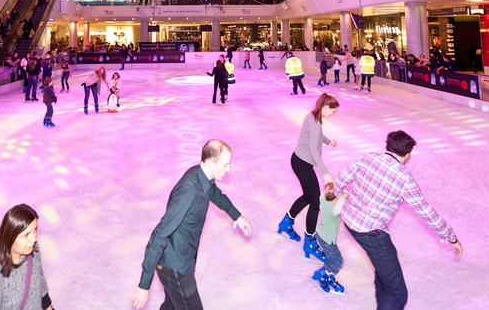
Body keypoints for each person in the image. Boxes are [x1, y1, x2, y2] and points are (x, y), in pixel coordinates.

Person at [334, 131, 462, 310]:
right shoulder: (404, 179)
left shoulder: (368, 159)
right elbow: (427, 212)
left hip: (350, 221)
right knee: (397, 293)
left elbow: (341, 180)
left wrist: (338, 193)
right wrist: (451, 237)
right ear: (408, 154)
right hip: (370, 233)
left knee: (384, 273)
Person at [131, 139, 252, 310]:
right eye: (225, 165)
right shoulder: (189, 193)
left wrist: (237, 216)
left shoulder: (202, 176)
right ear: (211, 162)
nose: (229, 169)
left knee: (171, 306)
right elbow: (159, 234)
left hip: (181, 259)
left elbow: (215, 194)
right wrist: (144, 285)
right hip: (175, 268)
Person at [277, 93, 339, 263]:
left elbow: (316, 136)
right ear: (326, 107)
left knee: (308, 196)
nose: (333, 115)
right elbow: (313, 151)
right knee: (315, 203)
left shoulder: (312, 116)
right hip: (303, 164)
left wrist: (327, 141)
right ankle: (310, 242)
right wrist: (325, 172)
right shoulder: (315, 122)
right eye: (332, 112)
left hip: (299, 161)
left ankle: (286, 223)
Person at [0, 204, 53, 310]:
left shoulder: (34, 250)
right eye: (26, 235)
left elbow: (39, 278)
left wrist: (48, 307)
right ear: (10, 238)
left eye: (35, 229)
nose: (33, 239)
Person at [311, 182, 349, 295]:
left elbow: (323, 194)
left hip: (321, 235)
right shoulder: (334, 209)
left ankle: (323, 273)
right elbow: (339, 207)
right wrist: (345, 196)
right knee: (338, 262)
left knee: (331, 258)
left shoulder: (323, 201)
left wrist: (329, 188)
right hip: (327, 240)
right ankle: (324, 275)